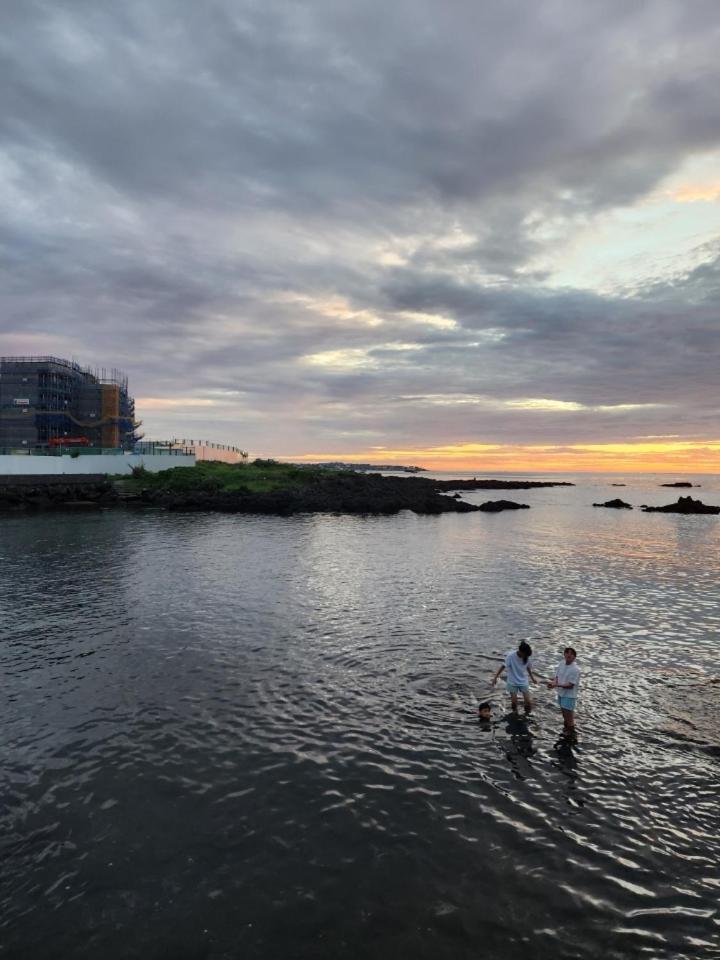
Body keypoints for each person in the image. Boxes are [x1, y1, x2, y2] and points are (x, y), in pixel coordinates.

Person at [491, 640, 538, 713]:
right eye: (525, 654)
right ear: (520, 651)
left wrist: (532, 678)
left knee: (528, 703)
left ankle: (527, 716)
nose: (525, 656)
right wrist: (495, 678)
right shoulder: (511, 656)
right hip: (512, 682)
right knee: (514, 703)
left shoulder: (527, 657)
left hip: (523, 681)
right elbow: (503, 666)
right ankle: (515, 716)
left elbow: (528, 667)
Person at [547, 647, 580, 729]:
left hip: (569, 696)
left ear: (574, 657)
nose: (569, 654)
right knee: (564, 716)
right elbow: (557, 678)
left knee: (569, 720)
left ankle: (571, 736)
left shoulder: (576, 669)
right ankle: (566, 731)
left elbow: (570, 685)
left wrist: (556, 685)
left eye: (571, 654)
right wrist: (552, 684)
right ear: (564, 654)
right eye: (567, 652)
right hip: (561, 694)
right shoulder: (561, 663)